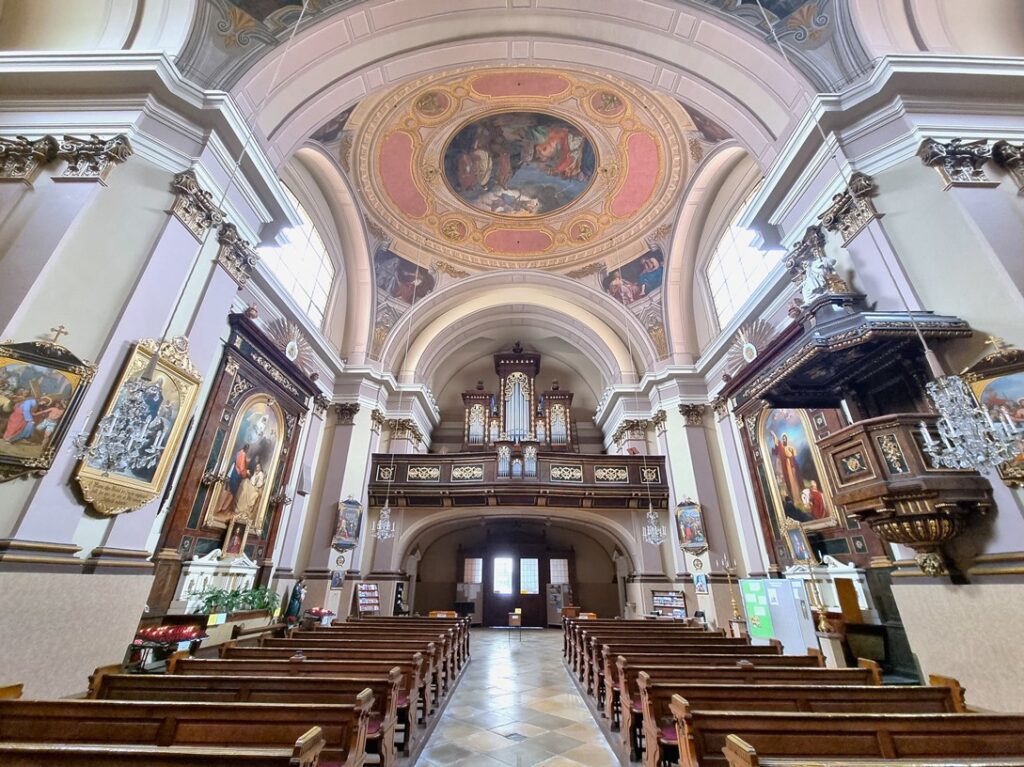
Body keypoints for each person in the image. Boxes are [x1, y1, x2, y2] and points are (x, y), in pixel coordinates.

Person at [770, 431, 803, 506]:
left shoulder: (790, 447)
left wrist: (793, 464)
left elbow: (794, 457)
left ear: (786, 439)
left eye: (785, 438)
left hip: (791, 466)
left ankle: (798, 498)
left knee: (795, 481)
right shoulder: (782, 447)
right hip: (786, 468)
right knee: (789, 482)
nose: (784, 439)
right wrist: (774, 436)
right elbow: (778, 444)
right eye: (783, 438)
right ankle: (794, 499)